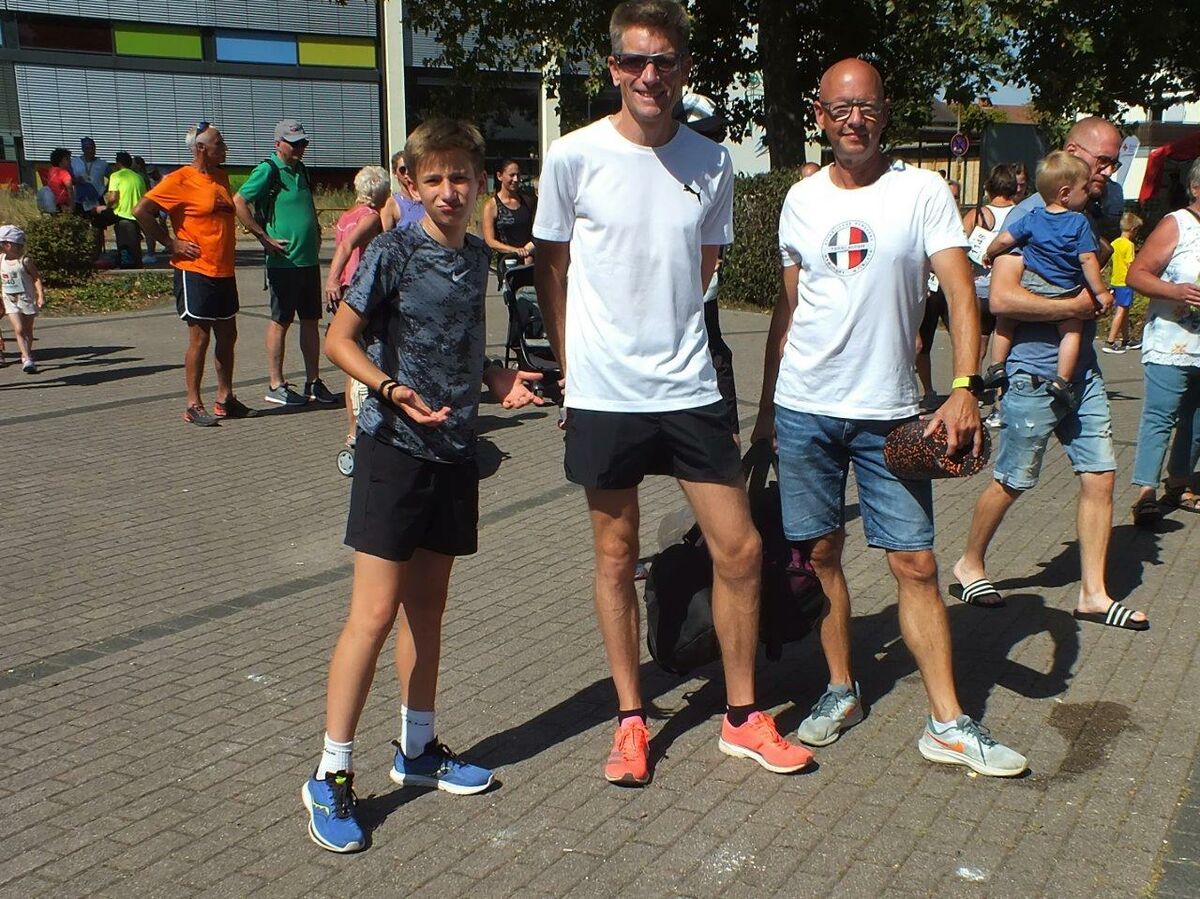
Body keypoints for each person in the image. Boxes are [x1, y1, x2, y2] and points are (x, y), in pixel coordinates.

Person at [535, 0, 814, 788]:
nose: (649, 74)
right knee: (616, 554)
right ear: (613, 67)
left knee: (742, 548)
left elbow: (701, 267)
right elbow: (550, 268)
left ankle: (741, 715)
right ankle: (631, 718)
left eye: (663, 60)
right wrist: (572, 364)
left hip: (688, 384)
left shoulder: (712, 161)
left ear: (684, 68)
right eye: (634, 60)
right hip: (605, 391)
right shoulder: (573, 156)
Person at [751, 57, 1026, 777]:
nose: (855, 120)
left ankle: (948, 722)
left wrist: (964, 386)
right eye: (840, 109)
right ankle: (841, 687)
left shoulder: (922, 191)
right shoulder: (800, 199)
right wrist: (766, 412)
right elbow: (788, 307)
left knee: (916, 562)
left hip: (891, 414)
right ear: (819, 115)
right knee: (820, 556)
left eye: (867, 107)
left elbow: (961, 294)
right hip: (805, 408)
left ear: (886, 110)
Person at [303, 118, 545, 854]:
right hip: (394, 452)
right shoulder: (391, 251)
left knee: (428, 613)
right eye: (433, 178)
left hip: (454, 452)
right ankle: (330, 773)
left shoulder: (475, 256)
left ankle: (417, 749)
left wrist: (494, 376)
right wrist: (388, 387)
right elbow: (340, 339)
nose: (448, 190)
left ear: (479, 183)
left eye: (460, 177)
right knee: (373, 614)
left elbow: (458, 346)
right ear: (409, 183)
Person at [953, 117, 1150, 631]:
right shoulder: (1030, 215)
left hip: (1081, 373)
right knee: (1014, 480)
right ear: (1072, 152)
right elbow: (1002, 299)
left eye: (1114, 163)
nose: (1109, 171)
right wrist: (1075, 307)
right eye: (1102, 161)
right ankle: (970, 563)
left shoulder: (1088, 211)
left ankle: (1093, 593)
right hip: (1032, 375)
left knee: (1100, 475)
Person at [134, 122, 251, 426]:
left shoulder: (221, 177)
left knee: (228, 334)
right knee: (200, 338)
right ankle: (192, 403)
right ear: (201, 148)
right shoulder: (179, 180)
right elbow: (141, 211)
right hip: (195, 270)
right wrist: (170, 243)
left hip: (223, 270)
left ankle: (225, 398)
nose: (225, 148)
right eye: (219, 143)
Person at [982, 152, 1115, 410]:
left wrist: (990, 252)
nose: (1087, 194)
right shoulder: (1079, 222)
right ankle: (1062, 381)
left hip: (1031, 283)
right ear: (1065, 194)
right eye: (1084, 189)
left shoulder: (1032, 216)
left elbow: (1005, 239)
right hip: (1064, 288)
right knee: (1072, 331)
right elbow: (1088, 260)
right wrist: (1100, 292)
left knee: (1006, 322)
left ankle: (996, 366)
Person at [233, 119, 335, 407]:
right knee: (281, 321)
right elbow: (238, 201)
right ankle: (276, 384)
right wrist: (263, 237)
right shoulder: (268, 170)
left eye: (303, 143)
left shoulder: (301, 169)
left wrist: (315, 231)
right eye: (294, 143)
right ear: (278, 144)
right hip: (283, 263)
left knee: (311, 320)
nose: (300, 148)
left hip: (307, 261)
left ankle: (313, 381)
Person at [1125, 159, 1200, 524]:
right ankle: (1145, 492)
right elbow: (1136, 275)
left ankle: (1180, 483)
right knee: (1161, 416)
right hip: (1172, 342)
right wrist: (1175, 291)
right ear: (1196, 188)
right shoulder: (1176, 224)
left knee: (1197, 421)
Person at [324, 164, 391, 446]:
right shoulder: (371, 217)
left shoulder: (346, 216)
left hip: (347, 292)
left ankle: (355, 427)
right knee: (364, 362)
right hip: (363, 294)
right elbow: (347, 246)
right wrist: (332, 279)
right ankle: (357, 429)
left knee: (353, 363)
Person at [961, 164, 1019, 426]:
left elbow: (958, 247)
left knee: (976, 347)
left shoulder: (978, 214)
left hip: (979, 289)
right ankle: (998, 406)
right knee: (1003, 351)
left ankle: (969, 400)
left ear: (988, 186)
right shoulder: (1021, 214)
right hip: (1008, 289)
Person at [481, 159, 536, 284]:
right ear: (499, 176)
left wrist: (530, 249)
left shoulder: (528, 202)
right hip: (509, 265)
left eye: (518, 175)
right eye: (511, 175)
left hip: (531, 263)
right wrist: (515, 251)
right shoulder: (492, 206)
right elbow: (490, 241)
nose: (516, 179)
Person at [0, 225, 45, 374]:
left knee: (27, 330)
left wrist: (40, 295)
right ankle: (26, 357)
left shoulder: (24, 261)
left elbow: (36, 277)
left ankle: (27, 352)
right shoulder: (1, 259)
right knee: (18, 329)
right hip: (9, 299)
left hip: (26, 299)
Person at [1102, 212, 1144, 354]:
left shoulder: (1114, 243)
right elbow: (1131, 264)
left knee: (1124, 311)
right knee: (1121, 311)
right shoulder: (1129, 245)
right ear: (1133, 229)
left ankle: (1126, 339)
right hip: (1125, 282)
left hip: (1115, 281)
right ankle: (1110, 341)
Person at [71, 137, 114, 255]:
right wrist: (76, 180)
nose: (90, 150)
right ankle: (82, 251)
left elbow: (113, 177)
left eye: (92, 148)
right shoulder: (74, 162)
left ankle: (98, 251)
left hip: (96, 198)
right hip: (80, 199)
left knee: (98, 227)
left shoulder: (102, 164)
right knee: (80, 226)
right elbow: (68, 179)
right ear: (83, 149)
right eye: (87, 148)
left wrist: (106, 189)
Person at [105, 151, 147, 268]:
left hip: (122, 214)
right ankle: (137, 263)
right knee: (135, 243)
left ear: (118, 163)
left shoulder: (116, 176)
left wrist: (107, 207)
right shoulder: (139, 177)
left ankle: (125, 263)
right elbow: (145, 197)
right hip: (137, 216)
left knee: (124, 244)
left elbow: (113, 198)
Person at [379, 151, 425, 231]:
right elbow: (386, 236)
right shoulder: (391, 204)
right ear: (395, 173)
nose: (407, 172)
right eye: (403, 169)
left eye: (410, 168)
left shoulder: (427, 198)